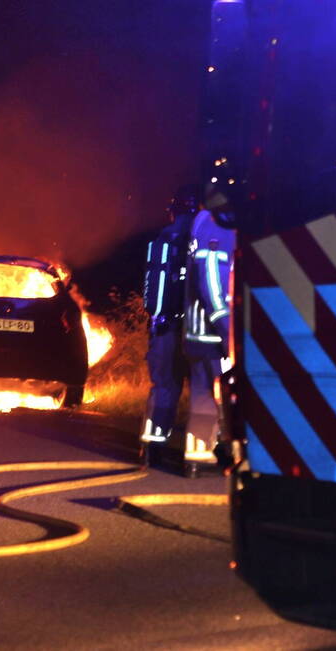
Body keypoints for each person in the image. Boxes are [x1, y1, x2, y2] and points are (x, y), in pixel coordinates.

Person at [140, 186, 197, 469]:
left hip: (167, 327)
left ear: (173, 211)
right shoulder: (207, 238)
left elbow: (154, 289)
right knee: (203, 393)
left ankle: (153, 449)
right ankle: (198, 458)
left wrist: (157, 317)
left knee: (164, 387)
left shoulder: (164, 239)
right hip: (202, 330)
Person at [180, 192, 236, 473]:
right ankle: (215, 454)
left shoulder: (200, 225)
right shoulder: (217, 227)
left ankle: (197, 457)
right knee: (218, 396)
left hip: (197, 333)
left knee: (203, 395)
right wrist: (227, 328)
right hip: (214, 333)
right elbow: (212, 280)